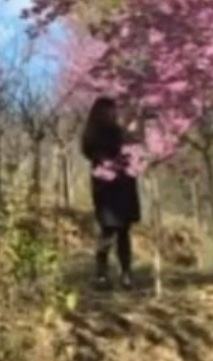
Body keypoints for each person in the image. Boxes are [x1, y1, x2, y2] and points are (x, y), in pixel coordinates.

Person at [80, 95, 141, 289]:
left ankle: (102, 274)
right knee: (122, 233)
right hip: (119, 186)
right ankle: (125, 274)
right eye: (113, 110)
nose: (116, 113)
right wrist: (133, 125)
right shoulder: (113, 133)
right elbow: (130, 145)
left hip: (103, 187)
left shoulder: (90, 135)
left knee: (107, 231)